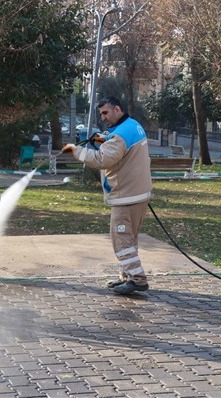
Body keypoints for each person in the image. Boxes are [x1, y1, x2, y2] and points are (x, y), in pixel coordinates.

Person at [63, 96, 152, 294]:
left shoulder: (120, 135)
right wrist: (104, 140)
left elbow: (102, 159)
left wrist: (76, 151)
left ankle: (137, 279)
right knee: (128, 238)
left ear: (117, 109)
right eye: (101, 113)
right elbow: (120, 150)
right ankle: (127, 277)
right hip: (138, 193)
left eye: (106, 112)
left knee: (120, 238)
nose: (103, 117)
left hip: (126, 196)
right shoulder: (132, 126)